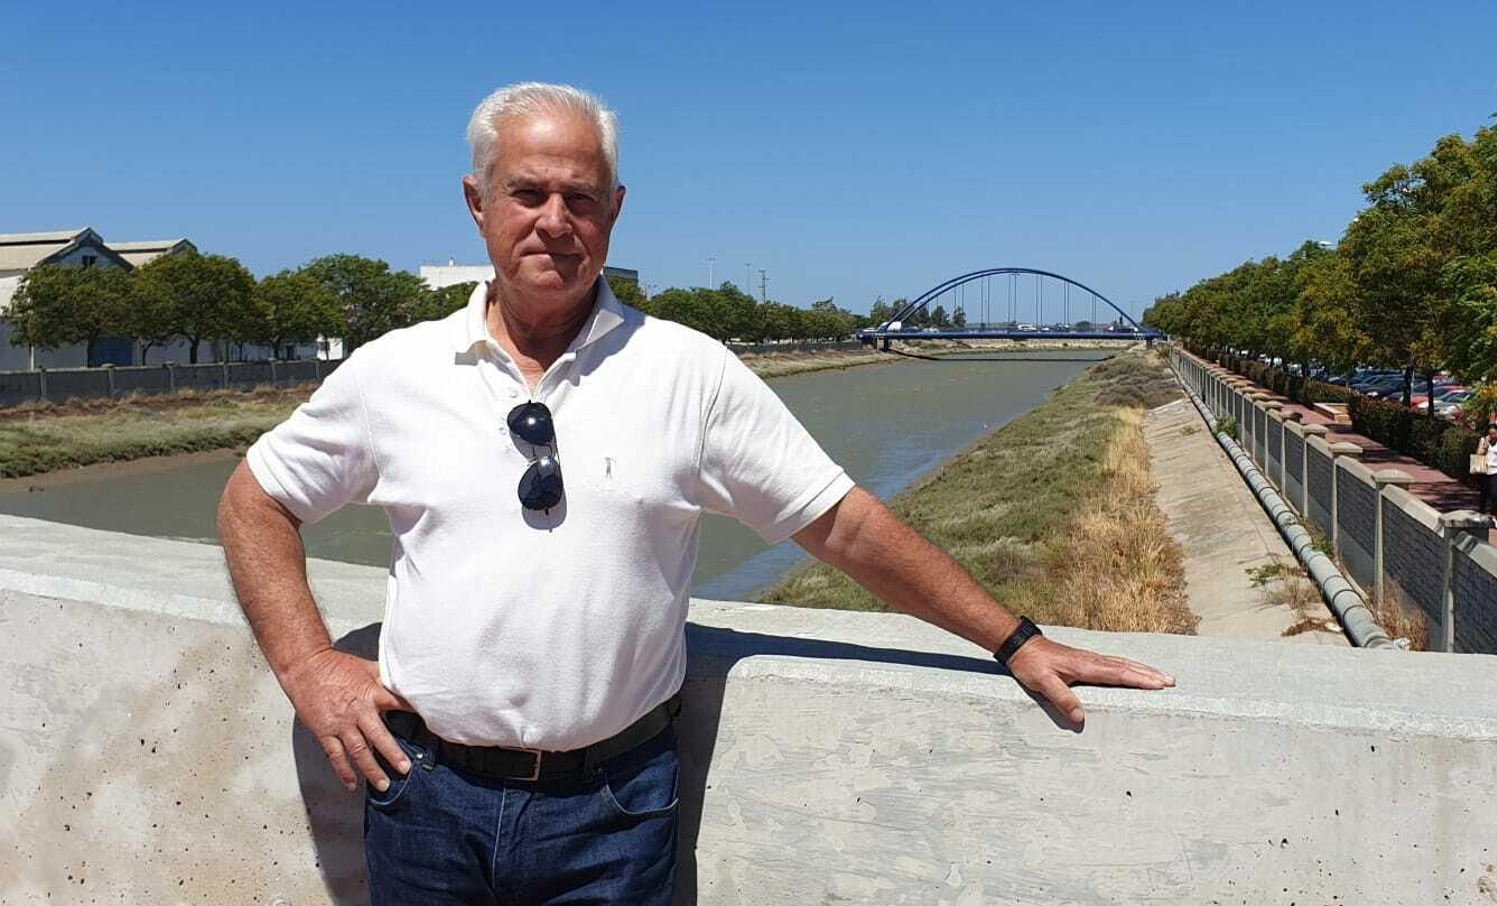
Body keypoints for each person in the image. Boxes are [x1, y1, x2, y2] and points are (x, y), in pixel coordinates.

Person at [217, 82, 1175, 904]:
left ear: (617, 210)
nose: (556, 219)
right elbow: (254, 499)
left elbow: (840, 524)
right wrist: (309, 668)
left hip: (613, 812)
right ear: (476, 204)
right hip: (422, 796)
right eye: (528, 192)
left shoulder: (690, 371)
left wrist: (1014, 639)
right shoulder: (396, 372)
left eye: (582, 198)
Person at [1477, 422, 1497, 527]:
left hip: (1495, 471)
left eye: (1495, 433)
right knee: (1483, 494)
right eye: (1491, 434)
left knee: (1495, 494)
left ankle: (1493, 516)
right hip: (1485, 470)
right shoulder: (1483, 441)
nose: (1493, 436)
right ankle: (1481, 514)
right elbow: (1479, 454)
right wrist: (1486, 444)